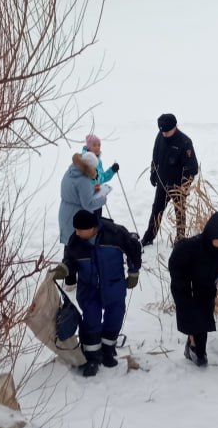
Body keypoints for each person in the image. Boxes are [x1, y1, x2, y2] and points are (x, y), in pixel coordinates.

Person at [56, 209, 142, 377]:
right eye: (76, 229)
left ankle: (108, 350)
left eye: (81, 230)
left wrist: (133, 273)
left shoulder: (115, 233)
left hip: (114, 285)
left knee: (115, 317)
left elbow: (133, 249)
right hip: (88, 289)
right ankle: (92, 357)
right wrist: (65, 270)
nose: (77, 233)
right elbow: (70, 261)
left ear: (93, 228)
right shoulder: (75, 242)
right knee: (91, 320)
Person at [167, 211, 218, 367]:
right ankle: (194, 348)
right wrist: (182, 283)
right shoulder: (190, 246)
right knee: (193, 319)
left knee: (204, 319)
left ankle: (197, 350)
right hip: (186, 288)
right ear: (210, 235)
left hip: (206, 288)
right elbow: (174, 264)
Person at [142, 113, 199, 247]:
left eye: (167, 132)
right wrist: (153, 173)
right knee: (156, 210)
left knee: (180, 213)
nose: (165, 134)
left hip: (178, 186)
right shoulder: (160, 136)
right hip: (162, 183)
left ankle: (180, 240)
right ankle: (149, 237)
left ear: (175, 127)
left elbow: (193, 169)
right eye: (162, 132)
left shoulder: (185, 142)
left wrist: (184, 187)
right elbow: (155, 156)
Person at [58, 151, 108, 243]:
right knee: (80, 246)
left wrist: (92, 190)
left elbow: (74, 191)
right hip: (77, 216)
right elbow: (88, 204)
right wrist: (102, 200)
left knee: (70, 244)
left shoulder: (71, 171)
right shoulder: (84, 180)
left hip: (65, 211)